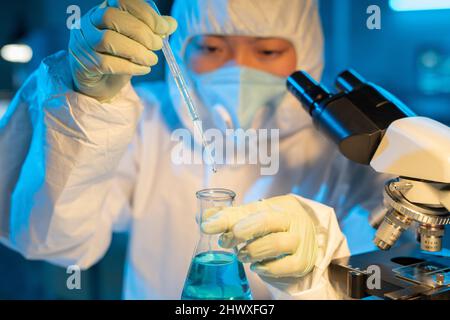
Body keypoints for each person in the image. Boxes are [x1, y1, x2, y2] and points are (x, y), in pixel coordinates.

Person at [0, 0, 387, 299]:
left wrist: (317, 260)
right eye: (211, 47)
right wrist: (86, 109)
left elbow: (380, 274)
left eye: (267, 51)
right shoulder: (135, 116)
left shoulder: (347, 148)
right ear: (181, 51)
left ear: (306, 52)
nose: (238, 69)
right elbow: (53, 241)